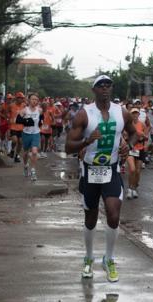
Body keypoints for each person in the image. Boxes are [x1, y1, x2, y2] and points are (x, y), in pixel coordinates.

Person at [65, 74, 138, 282]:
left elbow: (134, 133)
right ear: (94, 90)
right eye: (100, 85)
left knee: (114, 215)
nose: (105, 88)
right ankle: (88, 258)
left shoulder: (121, 112)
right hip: (90, 171)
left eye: (108, 85)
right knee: (91, 219)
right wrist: (87, 141)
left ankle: (109, 259)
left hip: (111, 170)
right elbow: (68, 146)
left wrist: (128, 146)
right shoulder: (84, 114)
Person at [126, 108, 148, 199]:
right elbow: (124, 136)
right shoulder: (127, 125)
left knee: (138, 171)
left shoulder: (142, 124)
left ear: (139, 115)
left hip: (140, 149)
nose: (135, 115)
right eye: (133, 114)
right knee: (132, 169)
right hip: (130, 149)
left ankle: (134, 187)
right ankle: (130, 189)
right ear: (130, 115)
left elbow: (146, 137)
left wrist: (143, 139)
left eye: (136, 113)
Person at [19, 93, 42, 181]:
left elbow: (41, 120)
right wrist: (26, 121)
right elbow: (17, 120)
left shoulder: (39, 110)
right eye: (32, 99)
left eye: (36, 99)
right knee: (25, 153)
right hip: (26, 134)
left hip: (36, 133)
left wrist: (40, 125)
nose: (34, 101)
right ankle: (25, 166)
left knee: (35, 152)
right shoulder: (24, 110)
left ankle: (33, 172)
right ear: (29, 100)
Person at [8, 92, 27, 162]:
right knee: (15, 140)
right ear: (16, 98)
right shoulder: (11, 105)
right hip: (13, 126)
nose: (21, 100)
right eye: (20, 98)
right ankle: (12, 150)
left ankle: (17, 156)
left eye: (22, 98)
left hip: (21, 127)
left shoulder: (24, 106)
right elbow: (7, 113)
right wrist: (8, 118)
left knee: (21, 142)